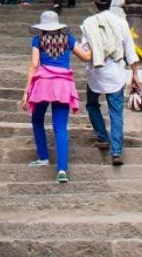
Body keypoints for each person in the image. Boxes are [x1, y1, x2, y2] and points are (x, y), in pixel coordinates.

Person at [22, 10, 92, 183]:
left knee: (37, 119)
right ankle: (62, 170)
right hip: (63, 85)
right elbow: (86, 57)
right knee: (60, 127)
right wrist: (95, 44)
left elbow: (34, 65)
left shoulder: (37, 40)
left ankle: (43, 157)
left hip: (43, 84)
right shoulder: (68, 39)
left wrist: (26, 91)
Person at [78, 0, 139, 166]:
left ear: (94, 3)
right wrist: (135, 74)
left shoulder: (88, 23)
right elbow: (130, 49)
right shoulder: (121, 22)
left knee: (92, 104)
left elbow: (85, 50)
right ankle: (116, 152)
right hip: (116, 72)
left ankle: (103, 137)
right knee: (116, 112)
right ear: (111, 1)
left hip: (96, 72)